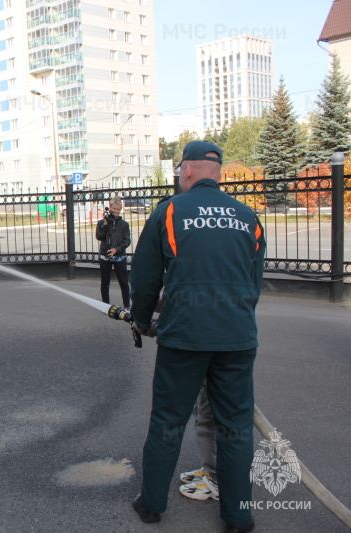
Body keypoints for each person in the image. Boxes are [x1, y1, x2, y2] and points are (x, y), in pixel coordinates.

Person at [129, 141, 265, 533]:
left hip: (184, 337)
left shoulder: (169, 211)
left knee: (168, 421)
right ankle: (239, 517)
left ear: (186, 171)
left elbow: (145, 278)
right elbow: (253, 285)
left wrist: (141, 320)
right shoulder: (248, 216)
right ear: (217, 173)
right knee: (235, 427)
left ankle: (151, 504)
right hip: (237, 338)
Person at [95, 197, 131, 308]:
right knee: (105, 282)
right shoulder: (102, 222)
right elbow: (99, 236)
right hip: (105, 256)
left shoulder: (124, 224)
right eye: (114, 208)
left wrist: (116, 249)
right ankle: (105, 305)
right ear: (110, 208)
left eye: (118, 209)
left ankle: (126, 306)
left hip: (119, 256)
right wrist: (105, 224)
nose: (116, 211)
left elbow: (127, 241)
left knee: (123, 282)